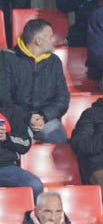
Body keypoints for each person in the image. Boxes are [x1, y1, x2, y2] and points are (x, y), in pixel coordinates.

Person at [4, 18, 68, 146]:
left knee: (58, 136)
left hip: (45, 118)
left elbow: (62, 97)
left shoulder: (54, 62)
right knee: (20, 141)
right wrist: (27, 117)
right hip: (18, 119)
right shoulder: (8, 60)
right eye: (50, 37)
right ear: (38, 41)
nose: (53, 40)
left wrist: (43, 115)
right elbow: (4, 99)